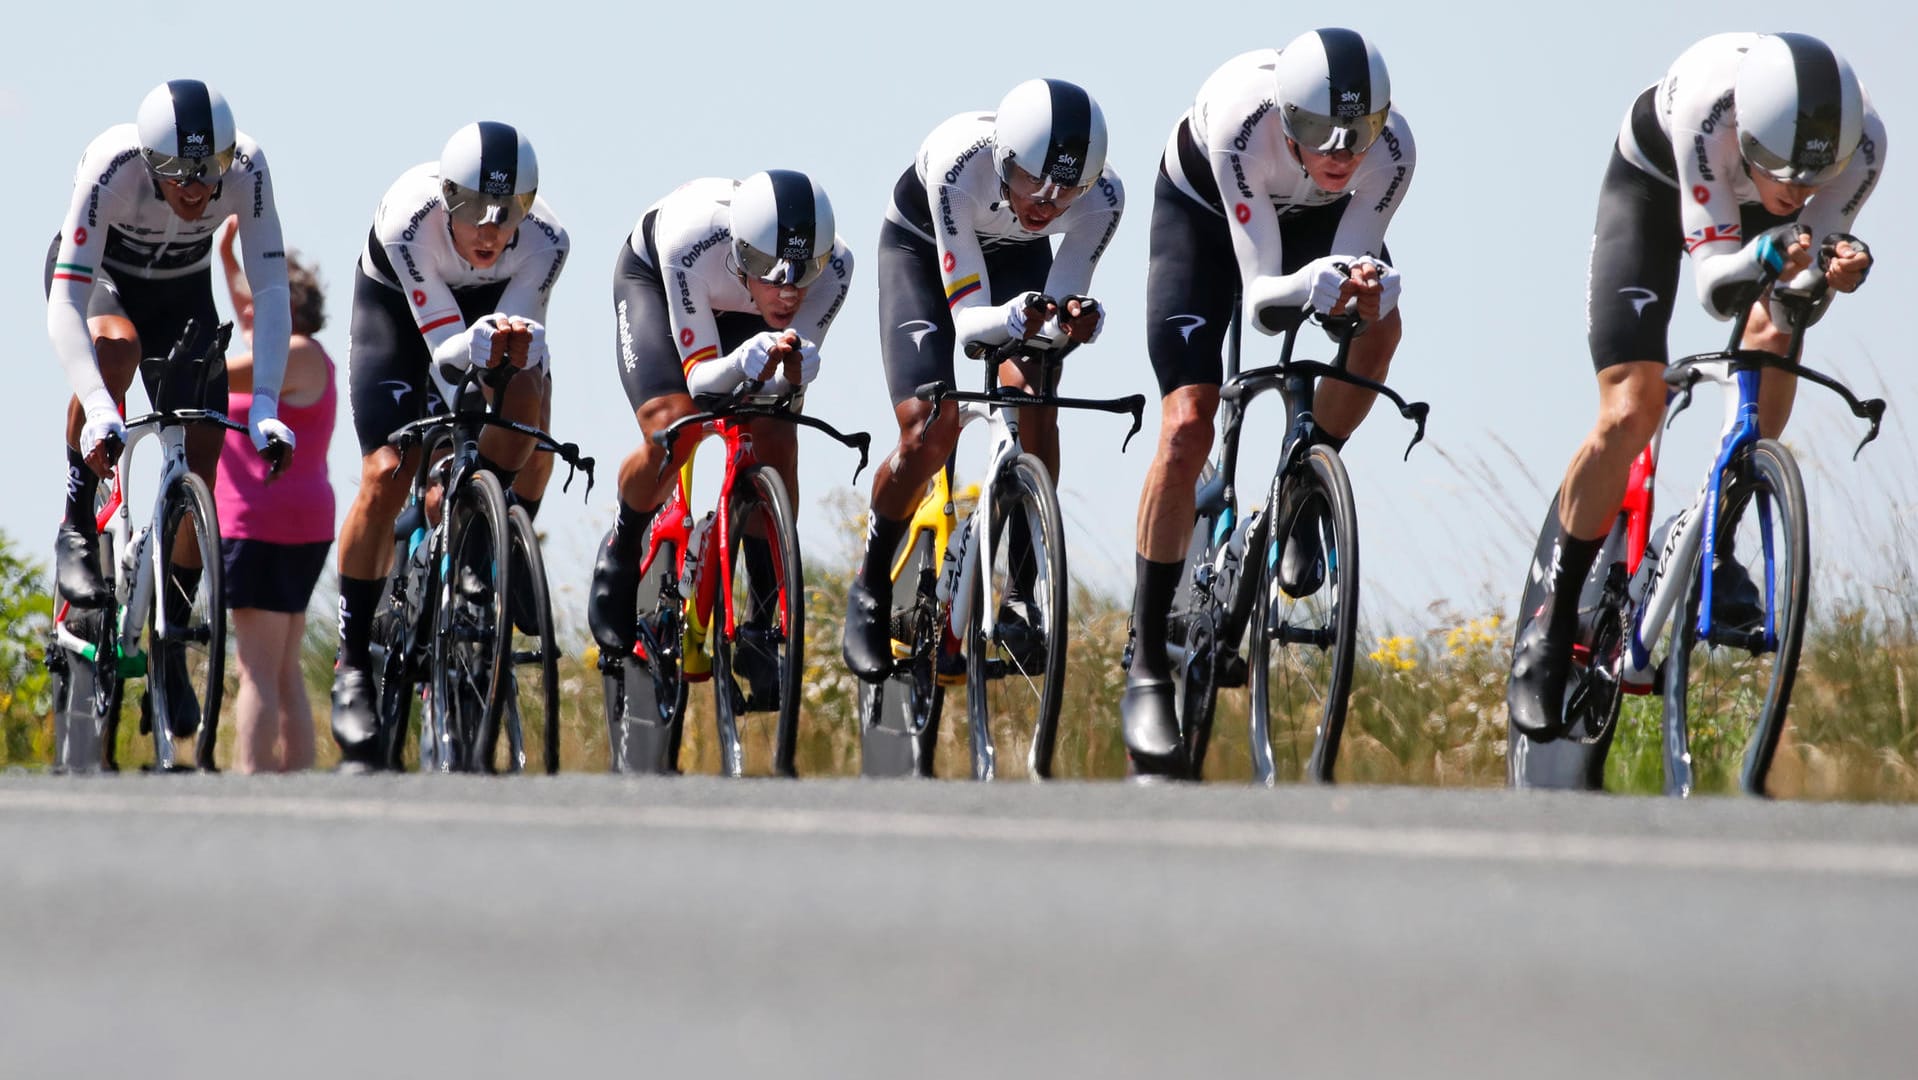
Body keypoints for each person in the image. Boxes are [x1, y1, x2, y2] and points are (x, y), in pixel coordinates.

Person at [1507, 32, 1884, 738]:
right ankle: (1550, 625)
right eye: (1784, 172)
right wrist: (1771, 248)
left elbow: (1795, 300)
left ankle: (1720, 535)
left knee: (1774, 339)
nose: (1800, 191)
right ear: (1749, 133)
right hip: (1654, 189)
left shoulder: (1863, 147)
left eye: (1815, 178)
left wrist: (1828, 275)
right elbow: (1715, 287)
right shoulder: (1709, 110)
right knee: (1631, 406)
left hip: (1763, 227)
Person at [1122, 30, 1415, 775]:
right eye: (1321, 132)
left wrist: (1364, 290)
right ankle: (1150, 657)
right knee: (1189, 422)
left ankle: (1307, 494)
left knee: (1383, 327)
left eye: (1361, 132)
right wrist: (1308, 288)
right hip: (1210, 215)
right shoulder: (1241, 125)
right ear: (1288, 117)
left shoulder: (1394, 153)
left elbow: (1351, 262)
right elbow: (1262, 301)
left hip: (1314, 217)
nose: (1343, 151)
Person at [839, 78, 1123, 682]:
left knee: (1035, 391)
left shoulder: (1104, 199)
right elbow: (970, 323)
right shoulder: (956, 165)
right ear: (1003, 160)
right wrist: (1019, 315)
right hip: (923, 250)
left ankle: (1023, 587)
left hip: (1017, 259)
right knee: (929, 429)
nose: (1046, 203)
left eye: (1066, 189)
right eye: (1031, 181)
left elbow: (1060, 304)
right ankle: (868, 589)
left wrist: (1072, 319)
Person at [45, 78, 295, 733]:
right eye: (179, 175)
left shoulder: (247, 167)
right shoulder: (112, 164)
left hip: (181, 292)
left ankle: (172, 642)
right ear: (151, 165)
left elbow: (271, 291)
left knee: (202, 456)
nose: (197, 189)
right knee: (116, 347)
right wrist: (101, 406)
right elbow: (66, 303)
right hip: (103, 284)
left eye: (209, 172)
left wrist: (266, 402)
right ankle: (77, 521)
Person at [329, 122, 569, 768]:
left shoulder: (547, 242)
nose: (490, 231)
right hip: (402, 318)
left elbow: (522, 347)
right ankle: (351, 661)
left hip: (489, 315)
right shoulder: (409, 221)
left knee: (532, 409)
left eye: (507, 213)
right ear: (445, 198)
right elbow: (442, 354)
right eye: (471, 211)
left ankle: (480, 541)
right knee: (386, 470)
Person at [586, 170, 852, 669]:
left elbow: (783, 386)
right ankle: (622, 548)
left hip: (747, 312)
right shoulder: (691, 242)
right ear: (743, 252)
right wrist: (739, 362)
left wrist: (794, 374)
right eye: (773, 270)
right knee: (675, 426)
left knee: (775, 433)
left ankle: (762, 617)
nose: (790, 290)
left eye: (804, 271)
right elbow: (701, 383)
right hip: (661, 288)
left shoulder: (836, 265)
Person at [214, 230, 333, 773]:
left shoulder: (293, 354)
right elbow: (245, 300)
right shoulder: (310, 356)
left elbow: (211, 375)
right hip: (301, 523)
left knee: (256, 667)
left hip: (260, 523)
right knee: (283, 666)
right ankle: (295, 777)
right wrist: (227, 256)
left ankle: (253, 780)